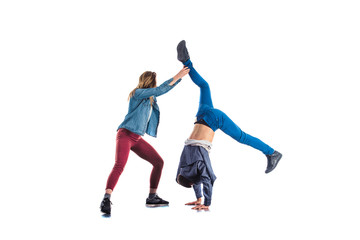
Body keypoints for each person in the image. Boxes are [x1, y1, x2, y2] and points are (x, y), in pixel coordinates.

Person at [175, 40, 282, 211]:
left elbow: (207, 179)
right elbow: (194, 178)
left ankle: (272, 153)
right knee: (204, 86)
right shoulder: (184, 162)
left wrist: (206, 203)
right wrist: (198, 198)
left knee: (242, 137)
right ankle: (186, 61)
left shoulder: (198, 162)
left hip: (213, 120)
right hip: (202, 116)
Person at [100, 67, 190, 214]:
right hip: (125, 135)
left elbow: (163, 90)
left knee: (158, 162)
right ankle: (106, 198)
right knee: (119, 165)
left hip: (136, 138)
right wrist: (178, 75)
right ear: (150, 82)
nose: (156, 85)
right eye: (155, 83)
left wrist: (180, 79)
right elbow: (160, 89)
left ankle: (152, 197)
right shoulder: (138, 93)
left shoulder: (150, 98)